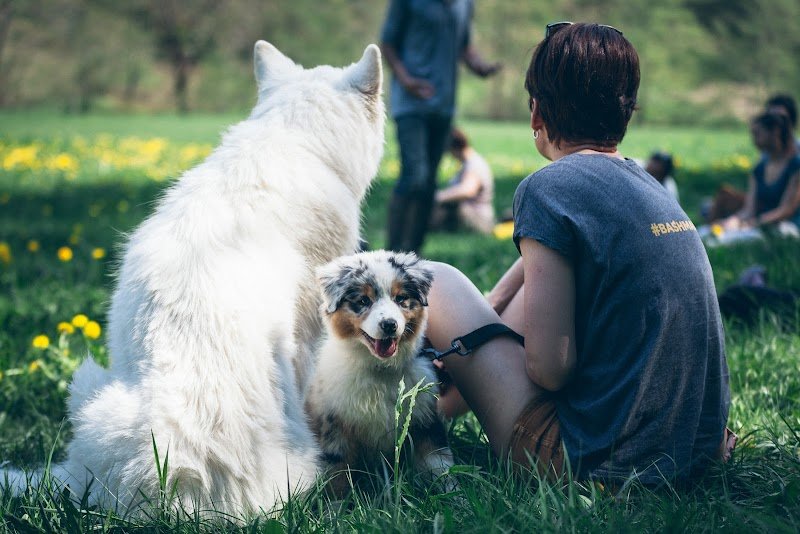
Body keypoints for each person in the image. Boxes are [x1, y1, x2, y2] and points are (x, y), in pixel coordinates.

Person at [422, 22, 731, 485]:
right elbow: (541, 265)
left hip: (587, 461)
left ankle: (406, 421)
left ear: (536, 113)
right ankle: (434, 411)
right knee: (537, 288)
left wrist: (484, 334)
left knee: (435, 279)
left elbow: (550, 371)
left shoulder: (548, 188)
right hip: (688, 453)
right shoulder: (648, 187)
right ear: (625, 112)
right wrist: (492, 306)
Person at [380, 0, 501, 253]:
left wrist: (478, 64)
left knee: (429, 183)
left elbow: (464, 46)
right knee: (415, 176)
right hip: (411, 104)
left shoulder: (464, 4)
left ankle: (413, 253)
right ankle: (391, 251)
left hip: (444, 106)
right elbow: (388, 44)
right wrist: (406, 80)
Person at [701, 111, 800, 245]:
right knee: (705, 232)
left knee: (727, 239)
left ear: (775, 132)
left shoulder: (795, 166)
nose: (753, 140)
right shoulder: (758, 169)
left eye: (757, 134)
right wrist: (733, 220)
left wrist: (753, 223)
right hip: (759, 223)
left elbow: (786, 210)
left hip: (785, 227)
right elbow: (749, 209)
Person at [430, 127, 496, 234]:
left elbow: (467, 191)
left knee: (449, 205)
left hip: (479, 220)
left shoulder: (474, 164)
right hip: (473, 216)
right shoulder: (466, 164)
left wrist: (439, 197)